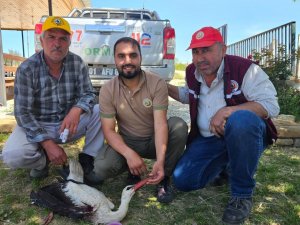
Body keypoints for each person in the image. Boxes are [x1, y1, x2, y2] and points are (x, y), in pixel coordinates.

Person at [167, 27, 279, 224]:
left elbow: (270, 105)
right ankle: (227, 165)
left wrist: (226, 111)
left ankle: (242, 194)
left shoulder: (245, 69)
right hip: (210, 139)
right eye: (195, 51)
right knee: (182, 180)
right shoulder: (192, 71)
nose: (200, 58)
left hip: (243, 133)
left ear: (223, 49)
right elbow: (188, 95)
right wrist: (162, 86)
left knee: (241, 120)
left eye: (206, 50)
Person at [2, 16, 104, 185]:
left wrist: (77, 109)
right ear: (42, 41)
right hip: (39, 123)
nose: (57, 43)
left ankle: (87, 159)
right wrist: (48, 144)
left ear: (69, 43)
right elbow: (23, 113)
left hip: (68, 125)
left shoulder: (77, 63)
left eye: (63, 38)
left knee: (101, 110)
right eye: (51, 37)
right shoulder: (27, 68)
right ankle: (43, 160)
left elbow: (88, 93)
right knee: (12, 155)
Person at [94, 37, 188, 203]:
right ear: (114, 59)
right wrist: (129, 154)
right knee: (101, 167)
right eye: (121, 56)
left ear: (140, 58)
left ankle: (164, 177)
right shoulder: (107, 90)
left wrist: (159, 161)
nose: (127, 61)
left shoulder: (157, 83)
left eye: (133, 55)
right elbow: (108, 130)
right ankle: (133, 171)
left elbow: (160, 125)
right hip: (128, 141)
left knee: (178, 126)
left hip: (153, 140)